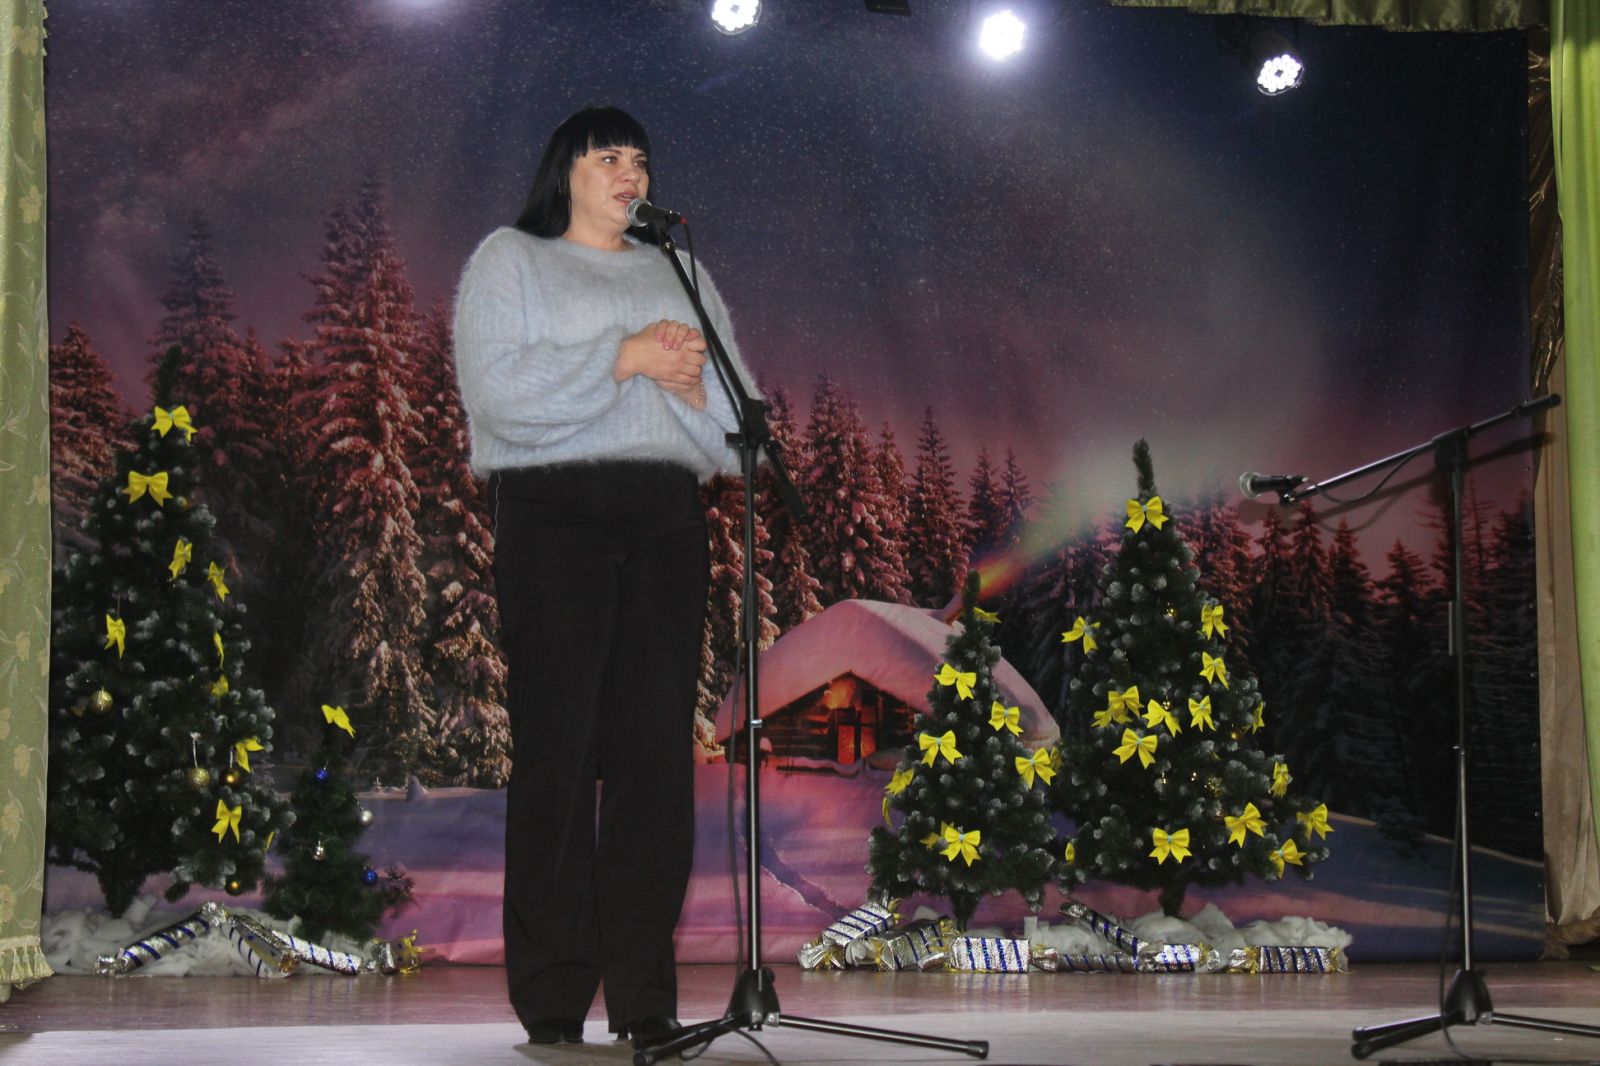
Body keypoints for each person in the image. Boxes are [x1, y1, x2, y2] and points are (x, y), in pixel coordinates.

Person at [452, 106, 757, 1049]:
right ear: (566, 170)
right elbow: (497, 395)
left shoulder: (680, 271)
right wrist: (625, 358)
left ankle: (643, 996)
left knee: (654, 763)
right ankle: (551, 995)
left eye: (641, 160)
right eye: (610, 156)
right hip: (553, 515)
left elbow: (741, 431)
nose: (632, 173)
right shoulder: (511, 259)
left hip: (666, 519)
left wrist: (689, 389)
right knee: (556, 749)